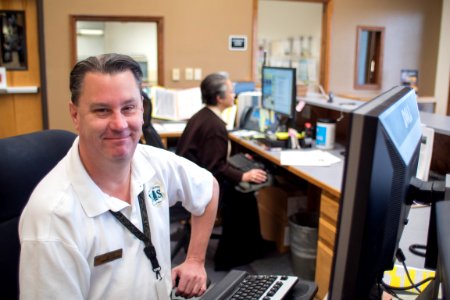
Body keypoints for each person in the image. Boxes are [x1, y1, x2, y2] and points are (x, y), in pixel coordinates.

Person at [19, 53, 219, 299]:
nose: (120, 124)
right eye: (102, 110)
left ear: (142, 110)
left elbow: (209, 188)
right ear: (75, 115)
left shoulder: (152, 161)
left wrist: (196, 260)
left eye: (128, 108)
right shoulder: (52, 219)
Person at [176, 72, 270, 270]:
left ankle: (254, 245)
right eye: (230, 90)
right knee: (243, 194)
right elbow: (215, 167)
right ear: (219, 98)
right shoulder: (215, 126)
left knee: (242, 191)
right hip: (198, 185)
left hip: (188, 180)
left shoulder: (203, 116)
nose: (234, 94)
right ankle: (230, 257)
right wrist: (243, 174)